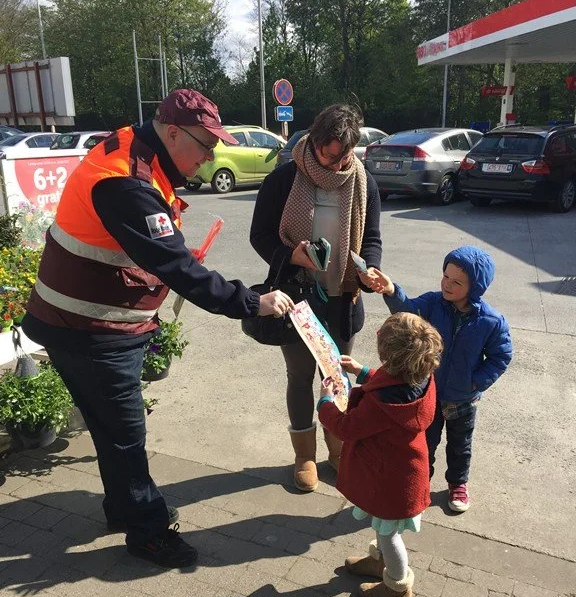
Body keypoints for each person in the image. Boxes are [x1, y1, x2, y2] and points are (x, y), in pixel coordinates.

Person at [22, 88, 293, 568]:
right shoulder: (126, 183)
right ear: (171, 132)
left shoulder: (135, 151)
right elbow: (177, 267)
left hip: (74, 323)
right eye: (204, 146)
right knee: (125, 433)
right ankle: (148, 532)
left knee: (110, 428)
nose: (211, 156)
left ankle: (120, 509)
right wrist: (252, 301)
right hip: (91, 330)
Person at [250, 104, 382, 493]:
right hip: (296, 298)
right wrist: (292, 255)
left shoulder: (362, 180)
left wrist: (370, 268)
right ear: (314, 141)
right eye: (331, 153)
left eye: (347, 154)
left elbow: (371, 237)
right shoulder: (284, 179)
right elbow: (260, 235)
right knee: (301, 376)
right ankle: (303, 455)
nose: (340, 162)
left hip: (344, 298)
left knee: (337, 376)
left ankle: (338, 451)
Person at [363, 245, 512, 513]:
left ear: (476, 287)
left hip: (463, 398)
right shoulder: (433, 303)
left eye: (457, 282)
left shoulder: (491, 321)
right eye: (445, 276)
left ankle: (457, 483)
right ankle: (420, 483)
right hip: (427, 393)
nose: (447, 284)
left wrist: (475, 382)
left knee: (460, 445)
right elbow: (407, 311)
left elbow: (501, 357)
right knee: (423, 443)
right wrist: (391, 291)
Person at [317, 312, 443, 597]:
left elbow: (346, 427)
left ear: (389, 354)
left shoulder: (381, 404)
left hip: (390, 482)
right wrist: (362, 372)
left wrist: (325, 402)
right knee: (384, 527)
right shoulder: (421, 378)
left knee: (390, 536)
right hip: (399, 474)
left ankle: (397, 588)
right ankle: (379, 563)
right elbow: (393, 382)